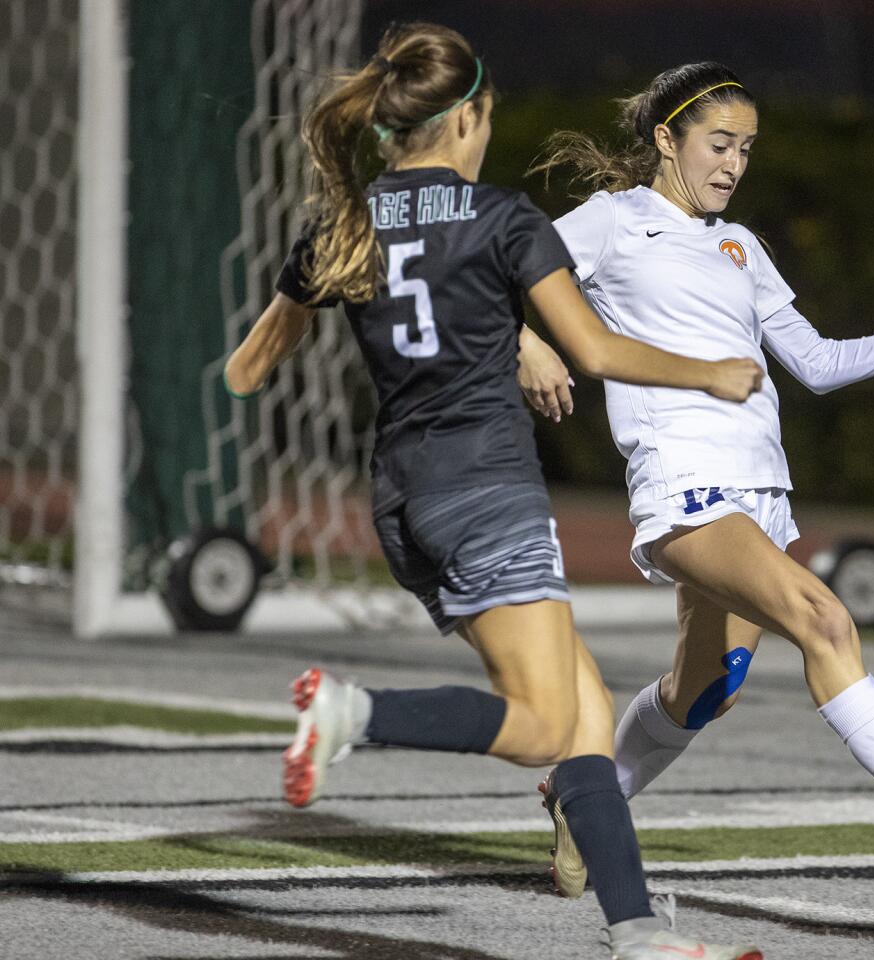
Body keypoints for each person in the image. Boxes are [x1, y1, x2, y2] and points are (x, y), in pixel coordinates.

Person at [223, 27, 765, 960]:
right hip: (488, 493)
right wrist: (710, 372)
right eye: (487, 118)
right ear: (466, 118)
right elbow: (594, 352)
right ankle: (354, 712)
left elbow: (245, 371)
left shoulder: (346, 224)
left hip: (403, 504)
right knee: (547, 721)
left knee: (586, 713)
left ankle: (635, 931)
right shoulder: (503, 219)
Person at [525, 61, 874, 891]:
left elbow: (817, 362)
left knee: (703, 694)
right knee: (825, 622)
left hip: (759, 495)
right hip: (684, 482)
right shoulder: (611, 221)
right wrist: (527, 341)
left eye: (746, 150)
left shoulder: (738, 245)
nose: (733, 165)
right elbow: (495, 267)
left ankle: (585, 795)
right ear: (667, 138)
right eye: (718, 144)